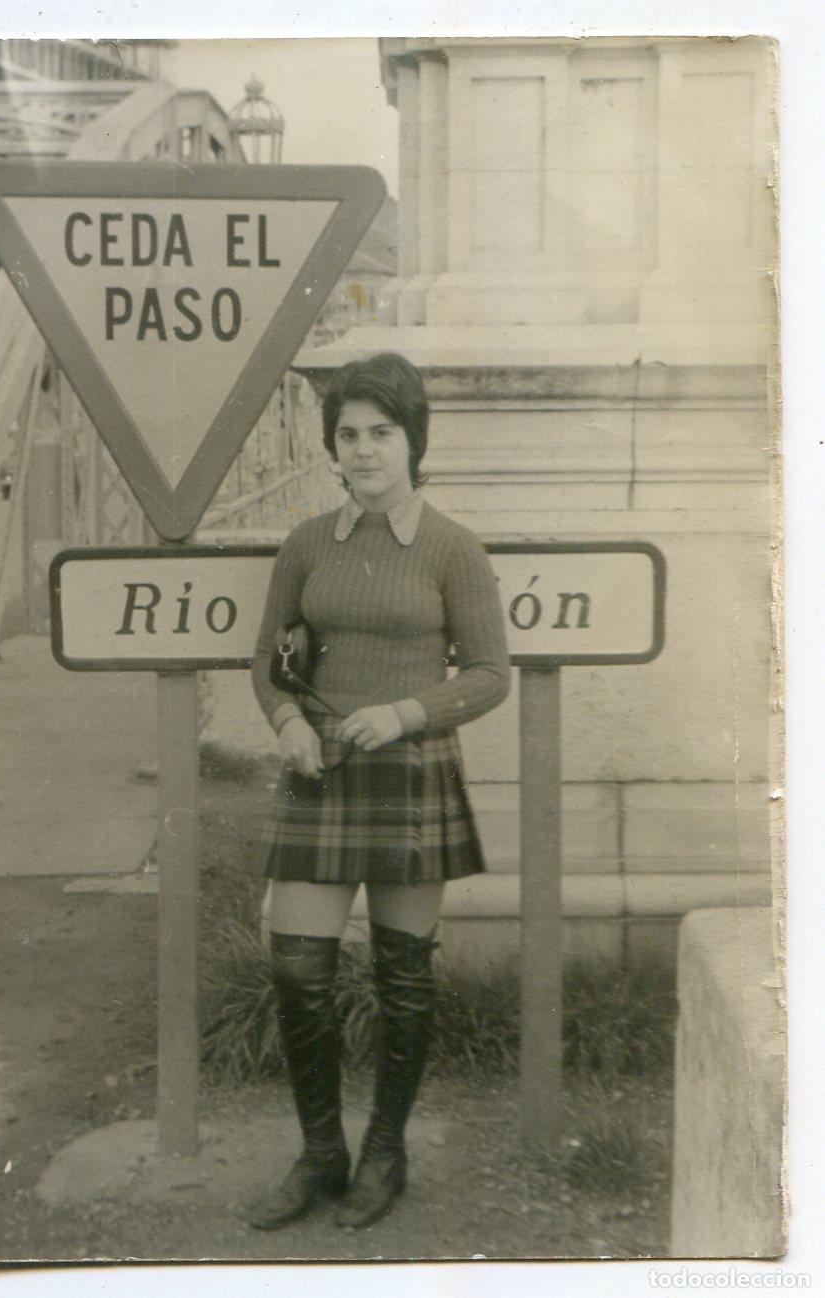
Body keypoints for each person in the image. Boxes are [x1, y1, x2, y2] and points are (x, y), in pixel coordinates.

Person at [247, 352, 511, 1231]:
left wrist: (404, 712)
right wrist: (286, 726)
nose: (363, 452)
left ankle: (385, 1153)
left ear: (412, 441)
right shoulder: (305, 545)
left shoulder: (453, 548)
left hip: (409, 774)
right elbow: (267, 662)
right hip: (321, 775)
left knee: (403, 977)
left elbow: (488, 675)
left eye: (381, 435)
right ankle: (321, 1154)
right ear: (333, 445)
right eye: (348, 435)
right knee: (297, 967)